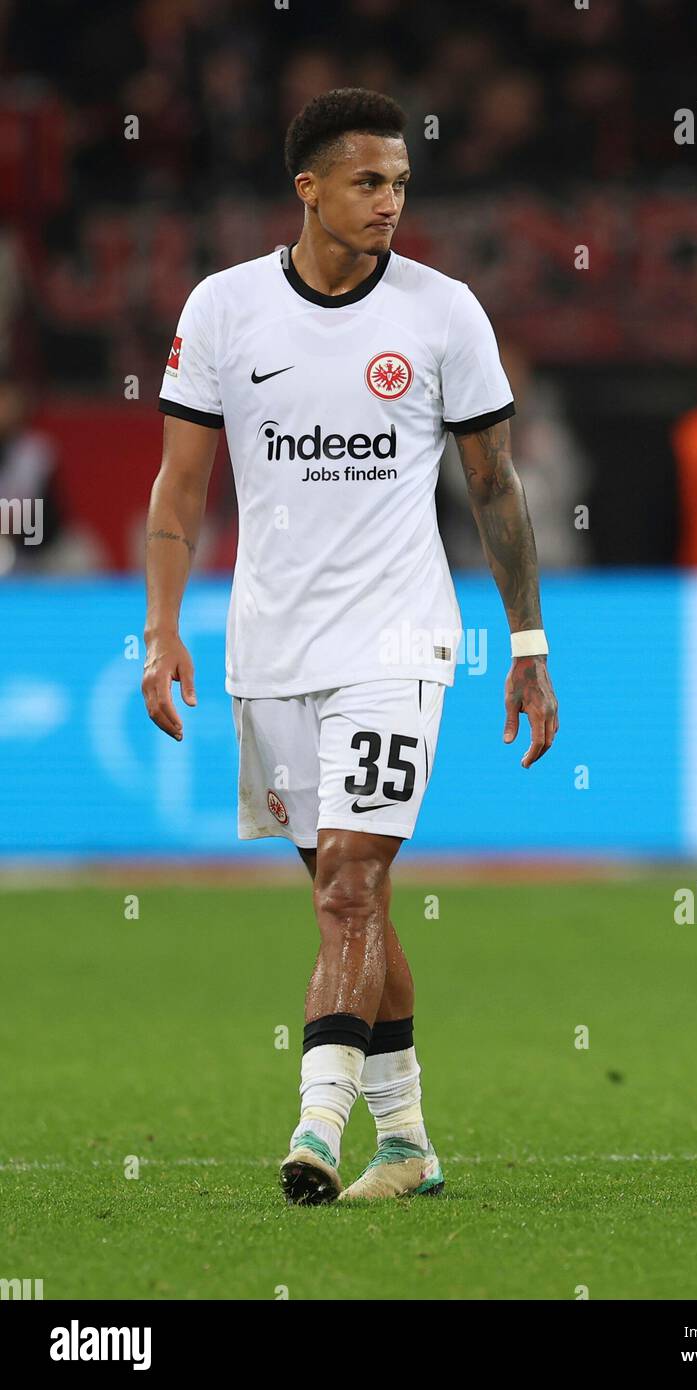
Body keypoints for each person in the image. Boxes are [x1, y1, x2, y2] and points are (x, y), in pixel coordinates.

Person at [141, 87, 558, 1206]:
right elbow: (180, 489)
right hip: (270, 647)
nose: (389, 203)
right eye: (368, 183)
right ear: (309, 189)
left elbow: (493, 485)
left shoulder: (441, 313)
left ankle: (316, 1124)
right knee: (343, 895)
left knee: (350, 887)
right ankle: (410, 1141)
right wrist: (159, 628)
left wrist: (526, 639)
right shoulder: (224, 311)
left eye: (401, 184)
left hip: (399, 637)